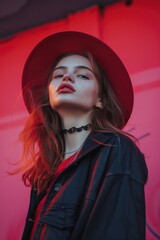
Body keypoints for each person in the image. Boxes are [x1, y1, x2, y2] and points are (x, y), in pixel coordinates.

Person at [19, 31, 148, 240]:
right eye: (58, 75)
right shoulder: (44, 171)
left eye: (82, 75)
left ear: (100, 100)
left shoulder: (117, 150)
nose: (67, 77)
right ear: (49, 94)